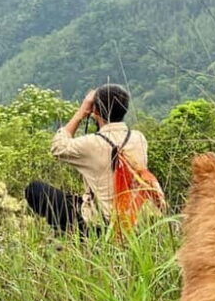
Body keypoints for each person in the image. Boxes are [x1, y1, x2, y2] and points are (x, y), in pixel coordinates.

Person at [24, 83, 158, 233]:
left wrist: (82, 112)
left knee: (34, 189)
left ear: (95, 110)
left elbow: (58, 147)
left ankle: (75, 235)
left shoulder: (90, 143)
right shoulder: (139, 138)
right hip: (133, 220)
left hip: (101, 224)